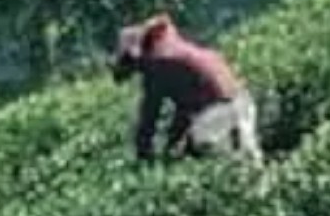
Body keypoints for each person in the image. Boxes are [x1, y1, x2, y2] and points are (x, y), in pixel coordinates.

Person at [111, 15, 262, 167]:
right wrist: (172, 143)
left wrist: (143, 160)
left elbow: (149, 119)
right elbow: (185, 109)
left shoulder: (158, 64)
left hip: (221, 110)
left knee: (203, 154)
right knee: (247, 157)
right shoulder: (172, 45)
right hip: (242, 101)